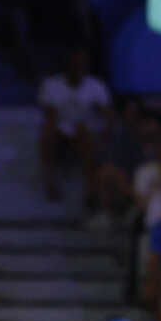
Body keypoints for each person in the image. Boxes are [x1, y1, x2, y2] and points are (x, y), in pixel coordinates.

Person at [37, 46, 110, 203]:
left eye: (82, 63)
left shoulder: (96, 86)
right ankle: (50, 181)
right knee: (48, 133)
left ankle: (90, 188)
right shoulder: (51, 85)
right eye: (75, 62)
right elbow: (50, 116)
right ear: (67, 64)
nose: (78, 66)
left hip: (87, 130)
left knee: (85, 133)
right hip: (61, 129)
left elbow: (106, 114)